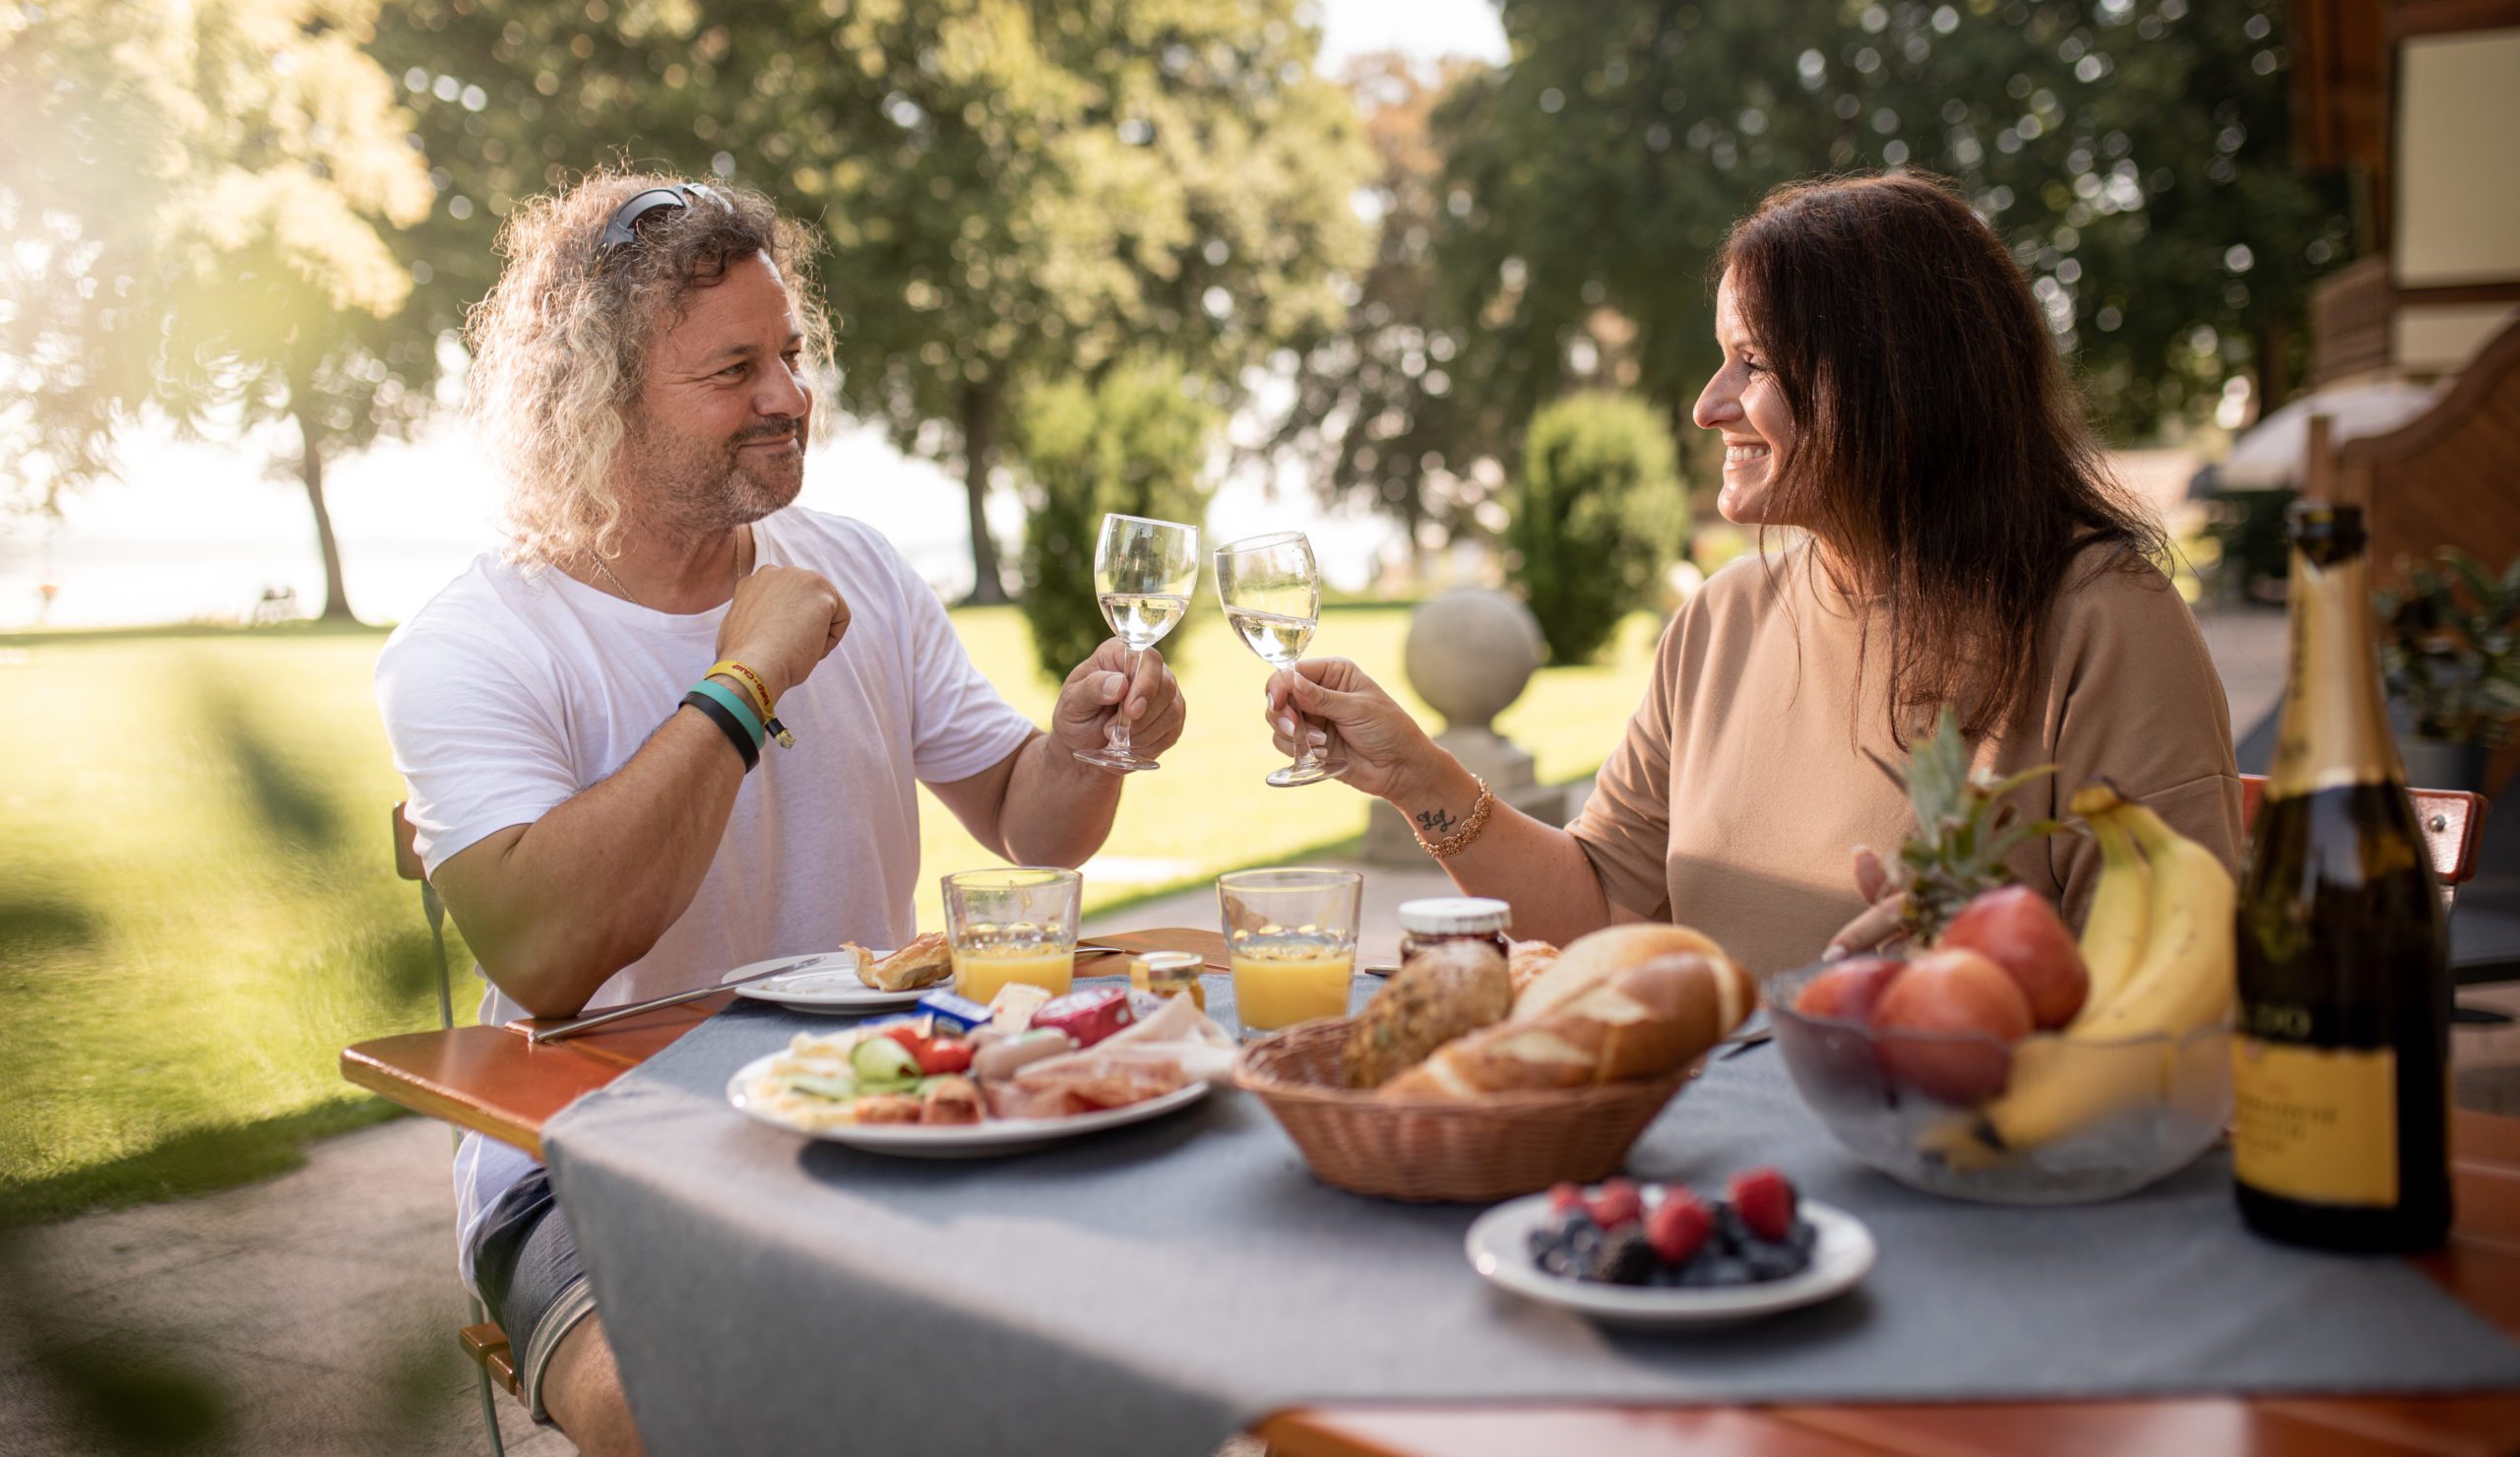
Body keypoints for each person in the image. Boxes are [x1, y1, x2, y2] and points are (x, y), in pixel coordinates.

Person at [376, 173, 1185, 1455]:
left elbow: (1031, 822)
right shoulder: (473, 641)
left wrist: (1087, 741)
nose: (790, 396)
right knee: (716, 1420)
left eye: (792, 354)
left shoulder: (858, 563)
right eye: (734, 368)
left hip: (877, 1105)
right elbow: (544, 957)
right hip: (586, 1166)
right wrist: (741, 682)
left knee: (1150, 1344)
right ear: (600, 400)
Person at [1264, 171, 2240, 980]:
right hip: (1715, 1167)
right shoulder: (1720, 621)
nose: (1705, 406)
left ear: (1890, 386)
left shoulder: (2103, 622)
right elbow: (1596, 908)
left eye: (1751, 364)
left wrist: (1993, 971)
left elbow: (2181, 985)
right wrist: (1411, 775)